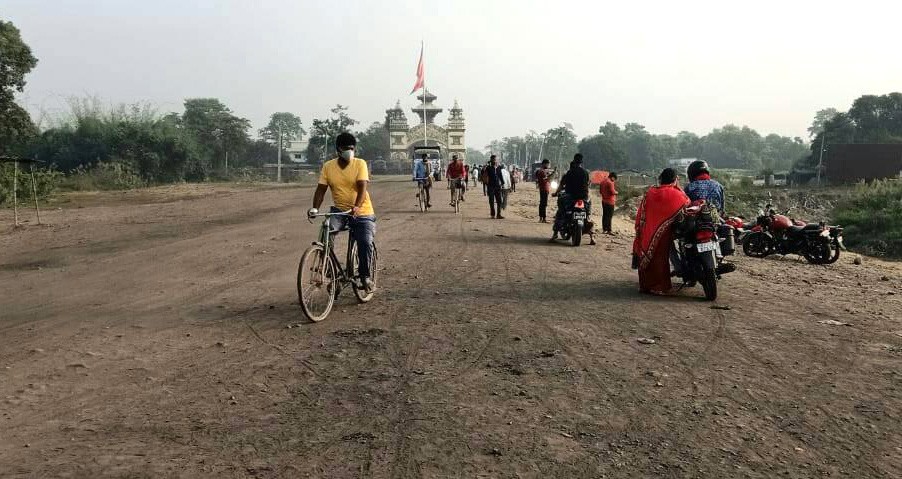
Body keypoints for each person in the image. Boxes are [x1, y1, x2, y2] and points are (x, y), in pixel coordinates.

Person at [309, 132, 377, 292]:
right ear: (338, 150)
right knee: (326, 230)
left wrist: (357, 206)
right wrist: (315, 208)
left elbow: (362, 188)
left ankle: (365, 276)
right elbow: (320, 190)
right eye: (346, 148)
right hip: (339, 211)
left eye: (352, 148)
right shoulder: (328, 167)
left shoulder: (360, 164)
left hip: (362, 212)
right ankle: (329, 269)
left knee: (364, 242)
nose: (349, 151)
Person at [632, 168, 690, 295]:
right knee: (660, 258)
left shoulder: (650, 192)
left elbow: (642, 211)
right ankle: (660, 286)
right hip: (663, 232)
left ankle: (646, 286)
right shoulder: (676, 194)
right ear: (675, 179)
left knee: (647, 255)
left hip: (647, 229)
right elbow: (686, 205)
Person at [550, 154, 590, 240]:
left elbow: (561, 185)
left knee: (560, 212)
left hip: (570, 197)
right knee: (587, 212)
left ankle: (555, 232)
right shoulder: (585, 172)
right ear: (581, 162)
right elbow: (587, 184)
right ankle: (590, 228)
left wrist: (556, 193)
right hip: (584, 197)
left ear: (574, 161)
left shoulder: (569, 172)